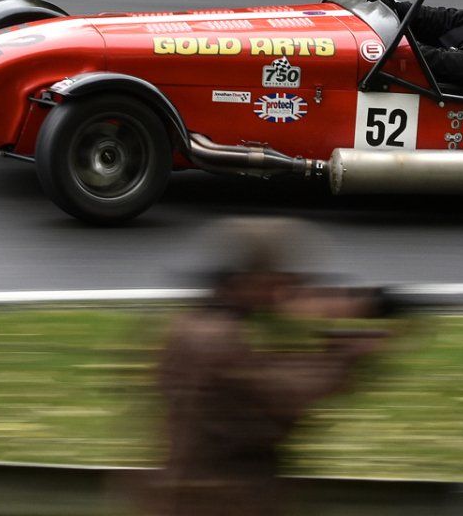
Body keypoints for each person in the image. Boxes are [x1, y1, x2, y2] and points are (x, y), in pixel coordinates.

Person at [143, 218, 387, 516]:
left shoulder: (193, 327)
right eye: (280, 281)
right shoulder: (213, 340)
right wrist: (344, 355)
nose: (286, 291)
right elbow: (280, 397)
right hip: (216, 503)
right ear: (251, 281)